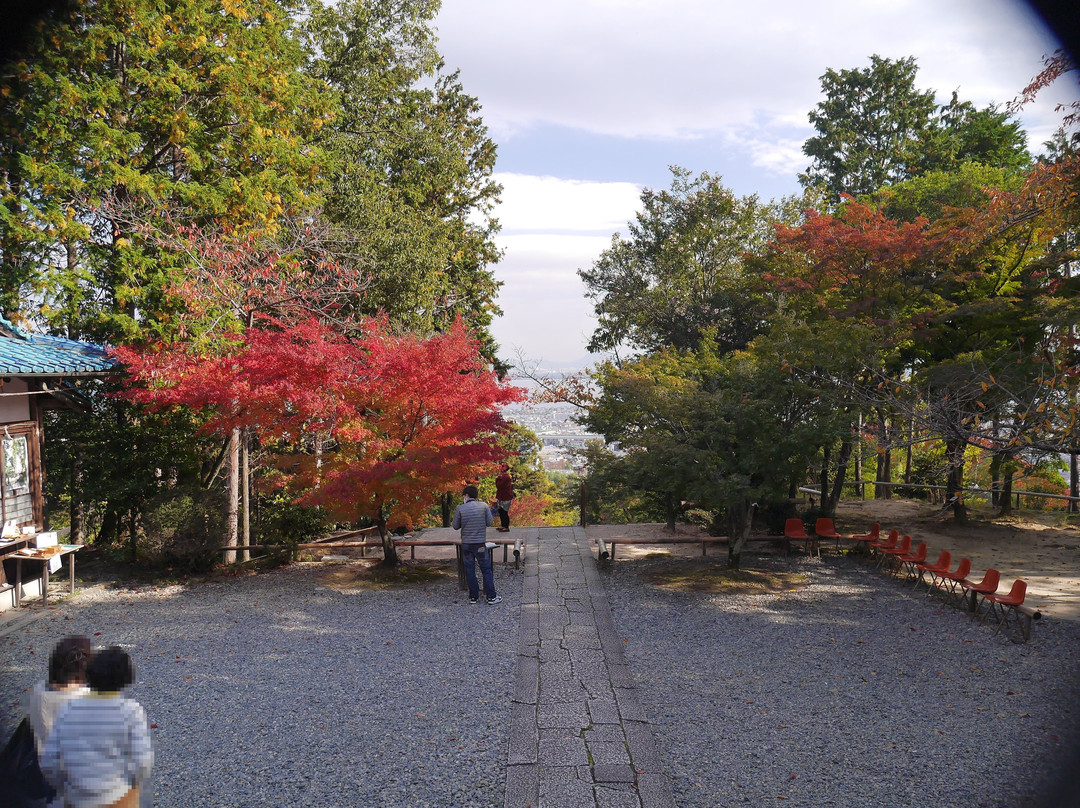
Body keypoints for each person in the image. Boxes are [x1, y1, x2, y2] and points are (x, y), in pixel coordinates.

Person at [41, 646, 153, 808]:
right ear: (126, 678)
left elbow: (49, 761)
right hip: (117, 797)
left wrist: (66, 787)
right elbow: (142, 762)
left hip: (77, 798)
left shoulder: (68, 708)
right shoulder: (131, 711)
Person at [452, 484, 501, 605]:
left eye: (463, 495)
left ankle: (473, 597)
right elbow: (489, 522)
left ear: (466, 495)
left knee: (470, 570)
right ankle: (491, 597)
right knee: (486, 569)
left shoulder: (460, 508)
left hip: (466, 544)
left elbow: (455, 526)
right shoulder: (483, 506)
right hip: (480, 544)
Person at [494, 464, 515, 532]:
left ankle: (506, 526)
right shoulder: (503, 477)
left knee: (504, 511)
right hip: (501, 496)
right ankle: (503, 525)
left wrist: (498, 478)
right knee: (500, 511)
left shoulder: (506, 477)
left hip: (505, 497)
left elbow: (499, 485)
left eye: (502, 466)